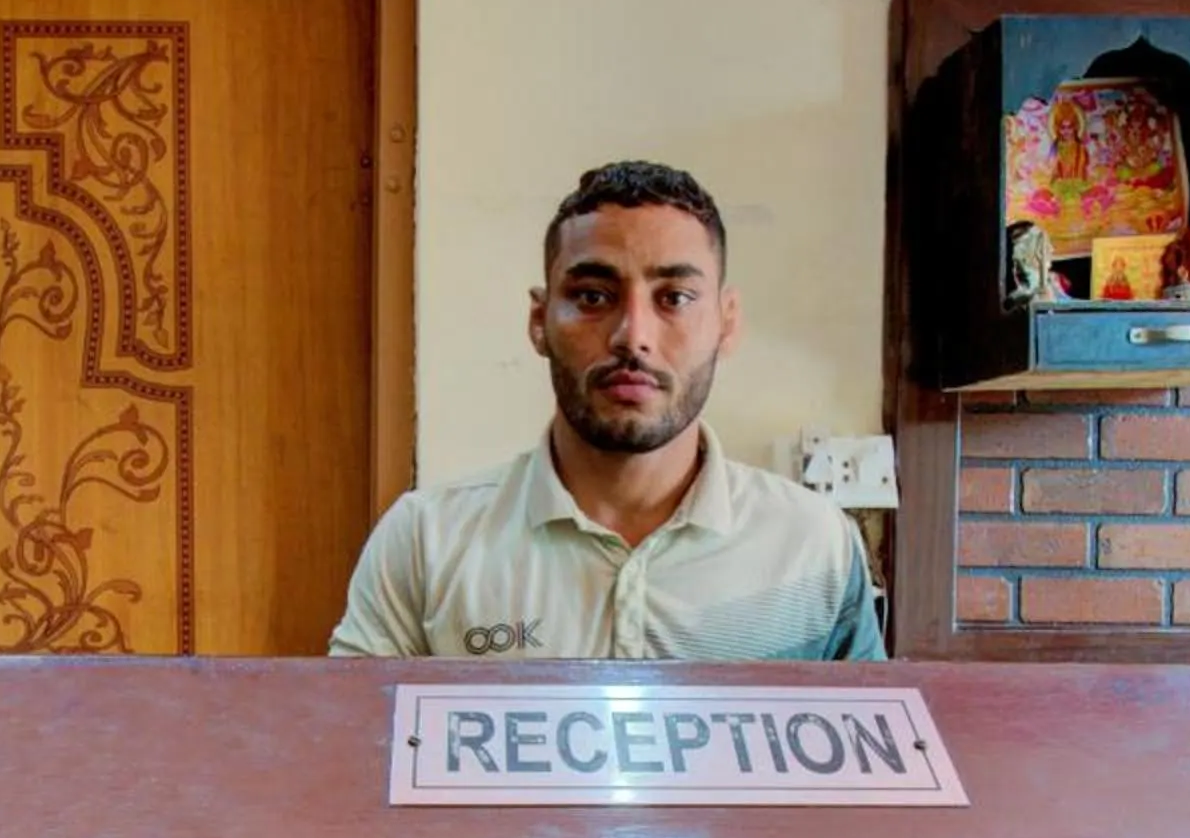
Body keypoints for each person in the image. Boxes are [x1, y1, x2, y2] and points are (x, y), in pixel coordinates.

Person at [329, 161, 886, 661]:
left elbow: (871, 743)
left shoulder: (813, 546)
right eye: (593, 297)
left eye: (674, 298)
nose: (632, 335)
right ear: (539, 320)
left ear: (726, 322)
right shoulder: (427, 541)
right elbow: (348, 737)